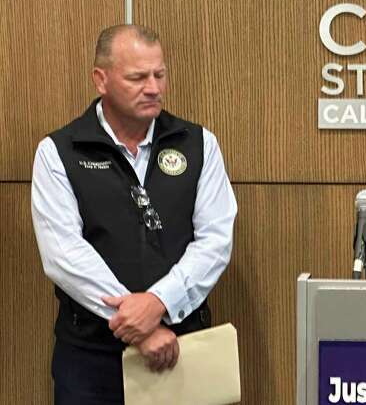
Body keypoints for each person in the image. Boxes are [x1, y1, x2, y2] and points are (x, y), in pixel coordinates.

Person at [31, 24, 237, 404]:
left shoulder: (198, 144)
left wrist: (159, 302)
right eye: (137, 77)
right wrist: (139, 327)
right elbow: (63, 253)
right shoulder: (59, 151)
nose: (153, 88)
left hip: (180, 346)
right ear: (101, 79)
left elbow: (216, 240)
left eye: (159, 74)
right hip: (91, 360)